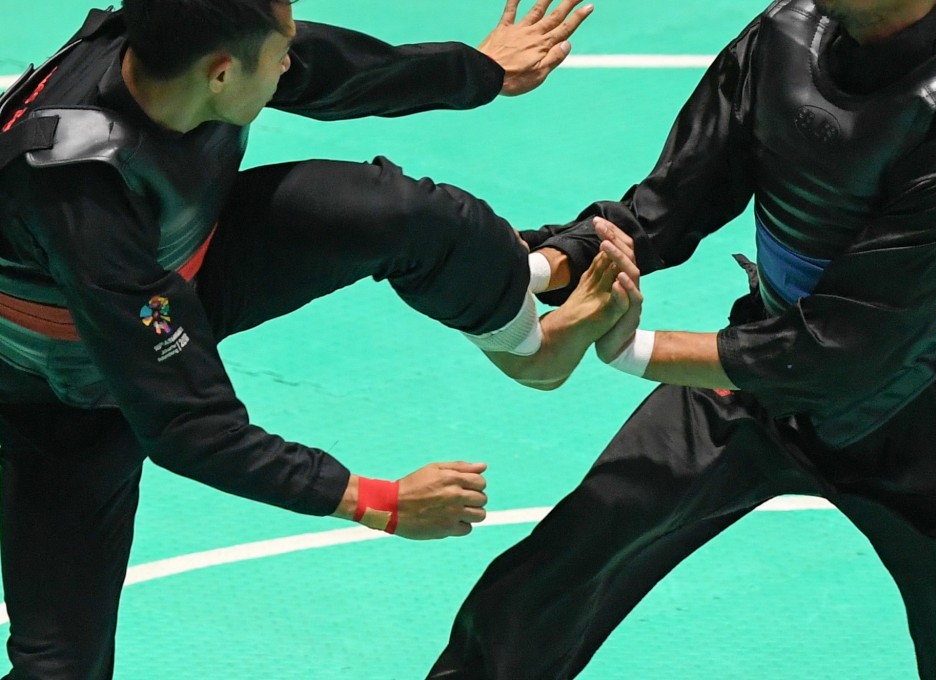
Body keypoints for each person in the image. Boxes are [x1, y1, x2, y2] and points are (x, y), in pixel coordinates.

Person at [0, 0, 647, 677]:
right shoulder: (82, 193)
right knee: (61, 667)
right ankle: (534, 271)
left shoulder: (180, 45)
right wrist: (378, 501)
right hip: (70, 390)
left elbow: (332, 68)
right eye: (279, 51)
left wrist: (480, 71)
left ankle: (533, 326)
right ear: (221, 76)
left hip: (180, 265)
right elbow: (191, 426)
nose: (289, 59)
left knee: (407, 215)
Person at [428, 0, 936, 678]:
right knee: (536, 593)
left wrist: (631, 349)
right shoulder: (784, 35)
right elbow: (664, 207)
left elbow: (843, 351)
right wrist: (531, 268)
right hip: (758, 383)